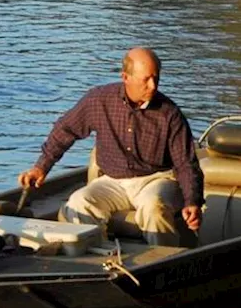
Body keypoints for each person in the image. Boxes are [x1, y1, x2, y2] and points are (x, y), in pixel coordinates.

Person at [18, 47, 204, 247]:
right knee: (79, 203)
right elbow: (65, 130)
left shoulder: (170, 114)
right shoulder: (99, 100)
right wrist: (41, 167)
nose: (153, 86)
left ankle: (163, 259)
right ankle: (96, 257)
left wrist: (192, 201)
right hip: (112, 180)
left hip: (156, 180)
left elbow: (186, 163)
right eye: (146, 79)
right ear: (125, 77)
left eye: (156, 79)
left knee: (154, 208)